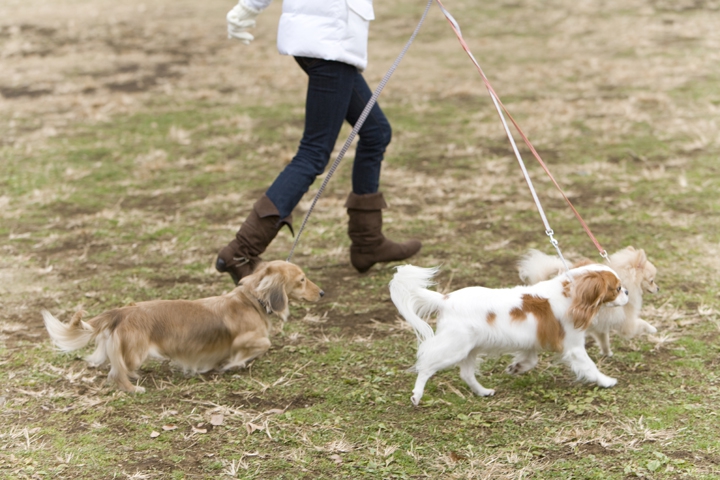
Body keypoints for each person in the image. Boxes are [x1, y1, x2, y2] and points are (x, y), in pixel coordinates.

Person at [216, 0, 422, 285]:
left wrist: (249, 7)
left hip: (320, 33)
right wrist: (249, 7)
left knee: (376, 132)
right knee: (313, 153)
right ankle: (241, 252)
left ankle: (367, 242)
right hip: (329, 37)